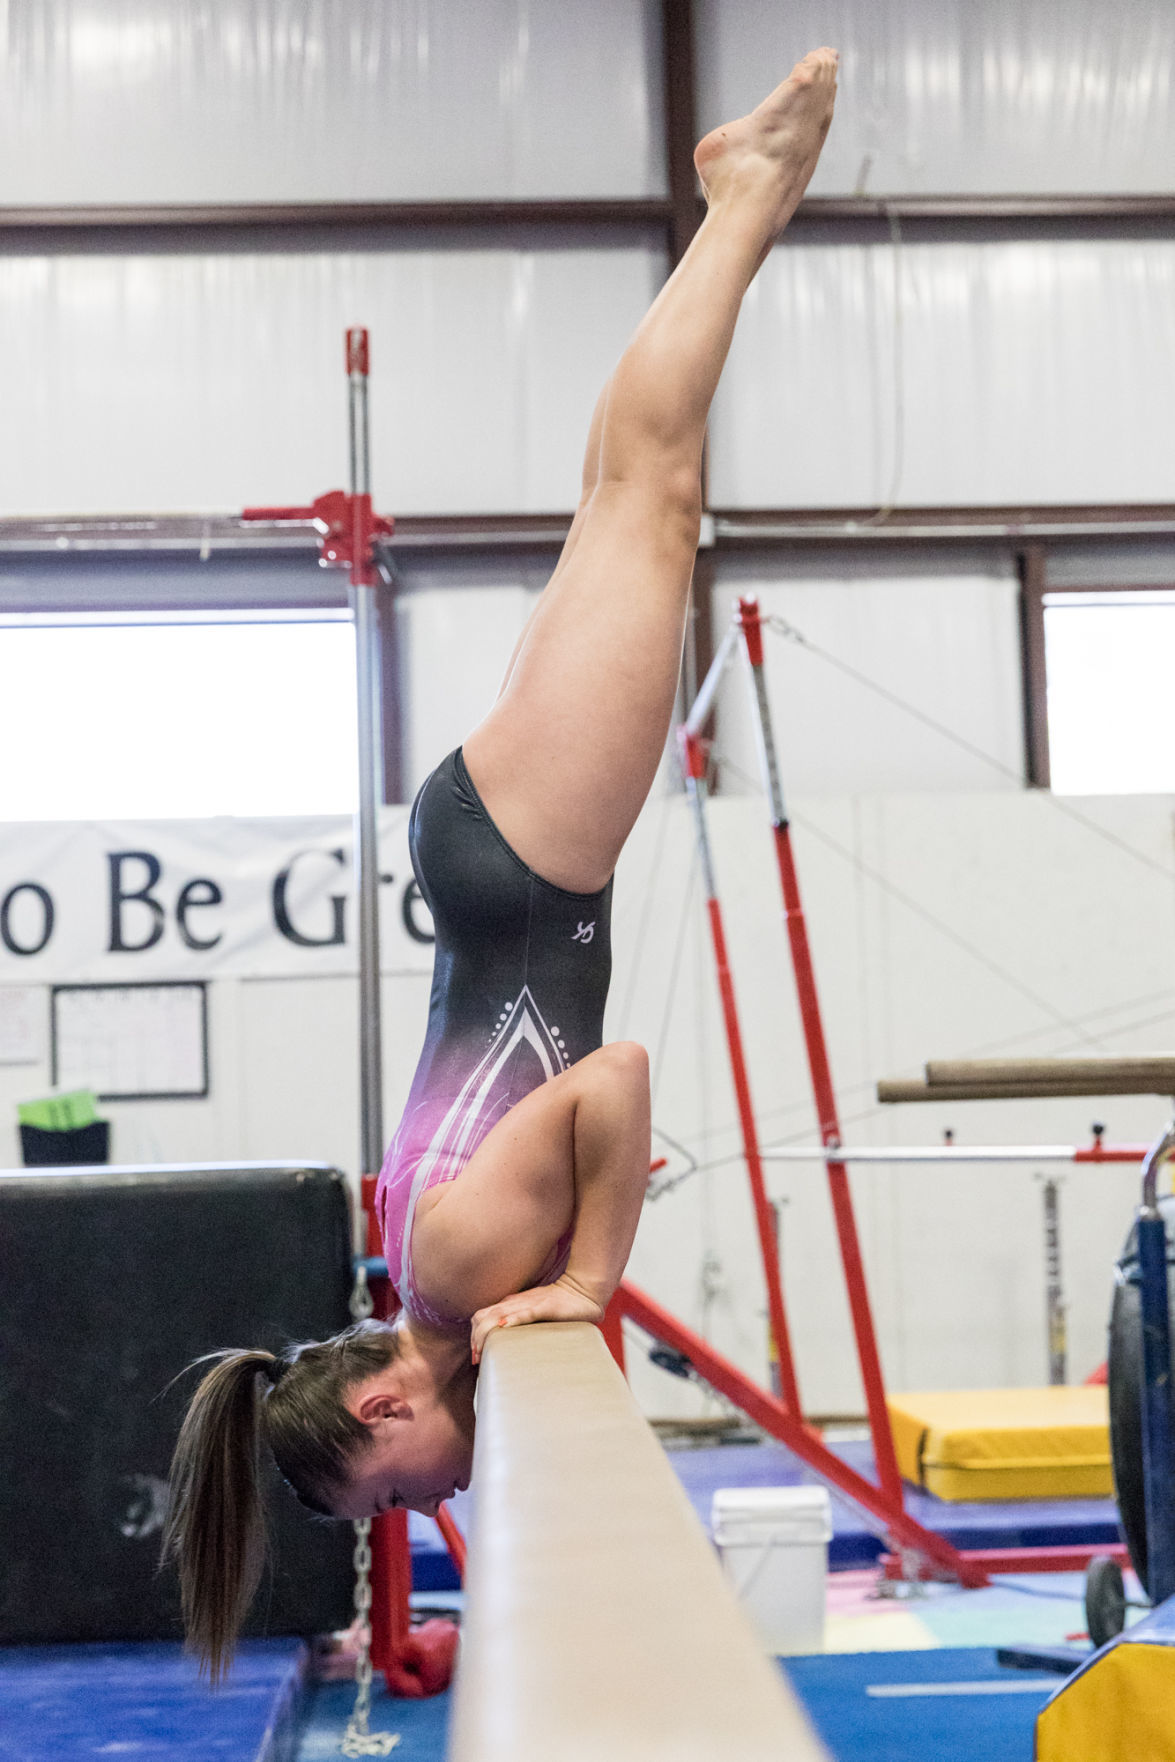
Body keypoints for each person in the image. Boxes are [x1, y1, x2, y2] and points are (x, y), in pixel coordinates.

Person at [164, 47, 839, 1679]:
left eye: (388, 1498)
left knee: (656, 495)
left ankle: (743, 197)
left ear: (390, 1400)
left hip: (532, 873)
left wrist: (594, 1279)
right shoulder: (429, 1277)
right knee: (625, 496)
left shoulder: (463, 1271)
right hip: (493, 856)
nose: (415, 1512)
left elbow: (612, 1076)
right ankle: (724, 202)